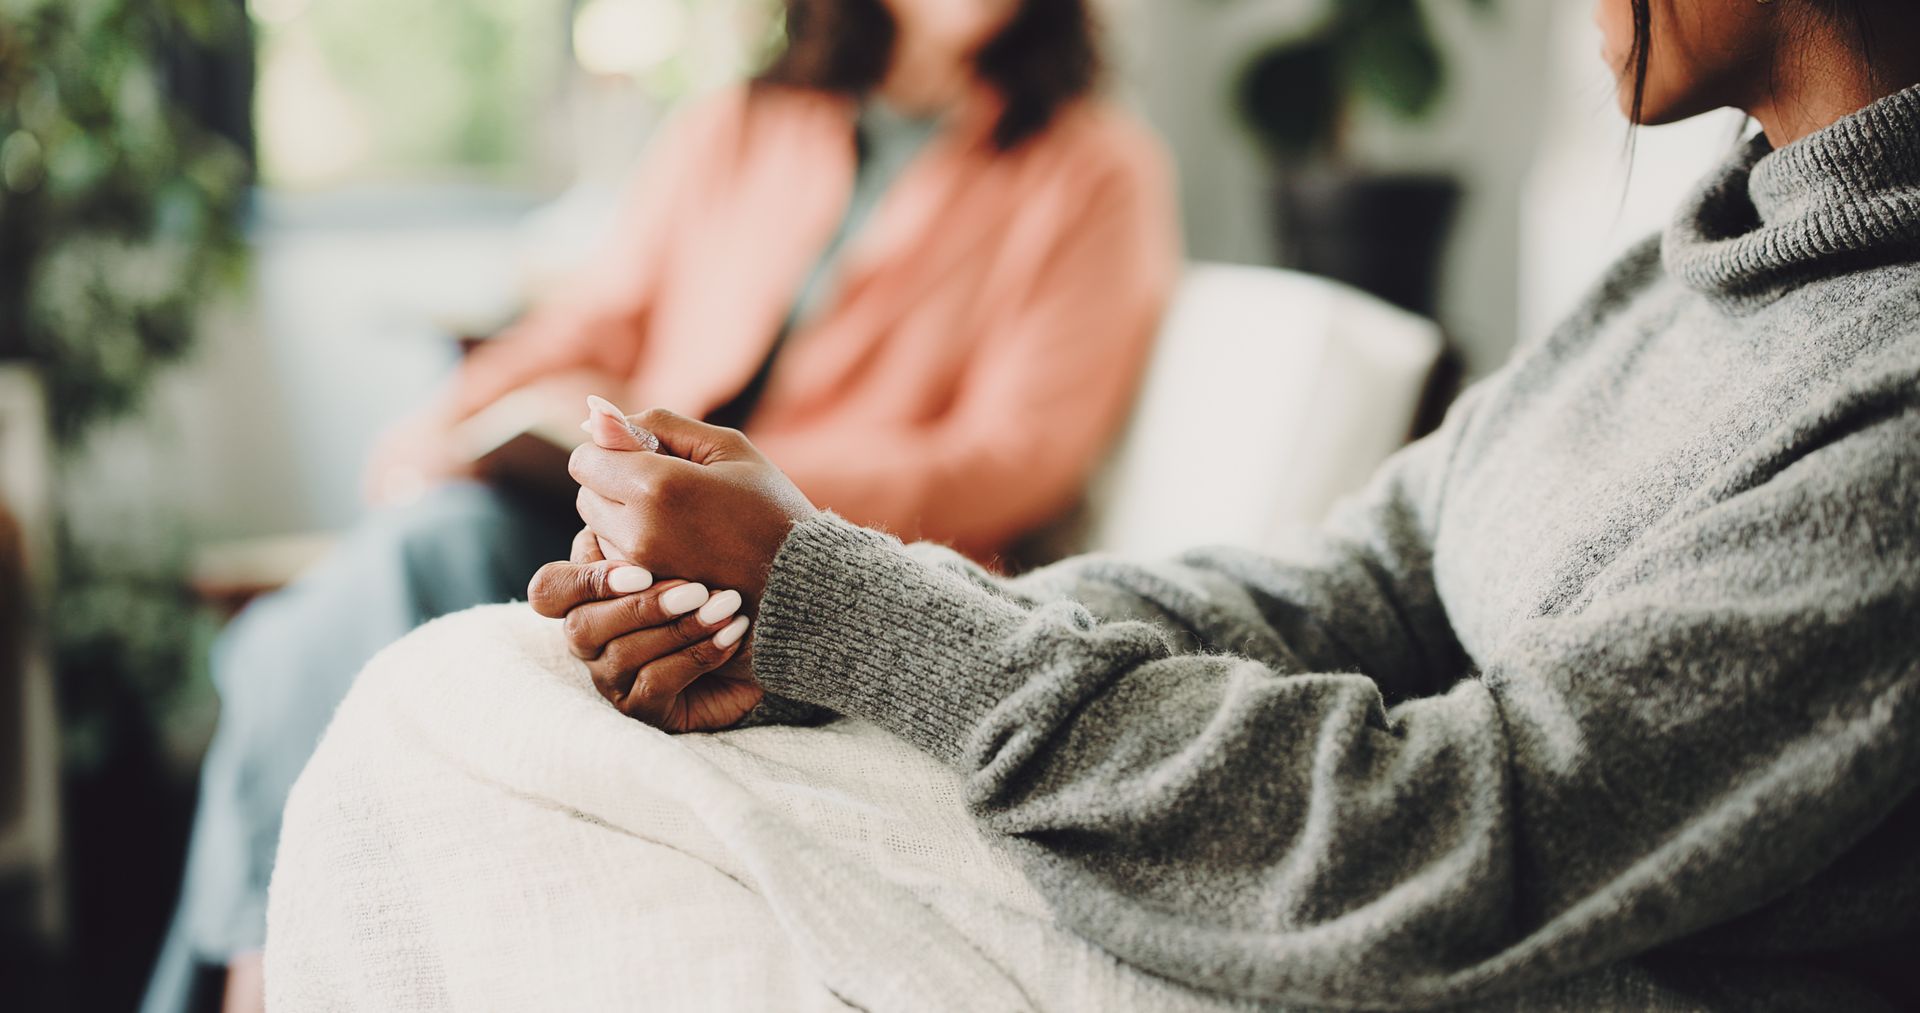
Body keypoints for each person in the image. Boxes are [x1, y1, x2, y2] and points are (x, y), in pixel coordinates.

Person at [493, 0, 1918, 1006]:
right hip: (1344, 910)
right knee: (488, 693)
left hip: (1422, 938)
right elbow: (1373, 577)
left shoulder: (1893, 419)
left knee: (502, 778)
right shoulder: (1698, 264)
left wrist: (844, 601)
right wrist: (828, 633)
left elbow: (1455, 825)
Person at [146, 0, 1179, 1007]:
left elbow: (1012, 455)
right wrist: (449, 421)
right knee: (377, 574)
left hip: (816, 557)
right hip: (614, 502)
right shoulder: (737, 124)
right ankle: (273, 967)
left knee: (338, 611)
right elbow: (598, 316)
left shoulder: (1095, 171)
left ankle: (268, 972)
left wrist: (743, 496)